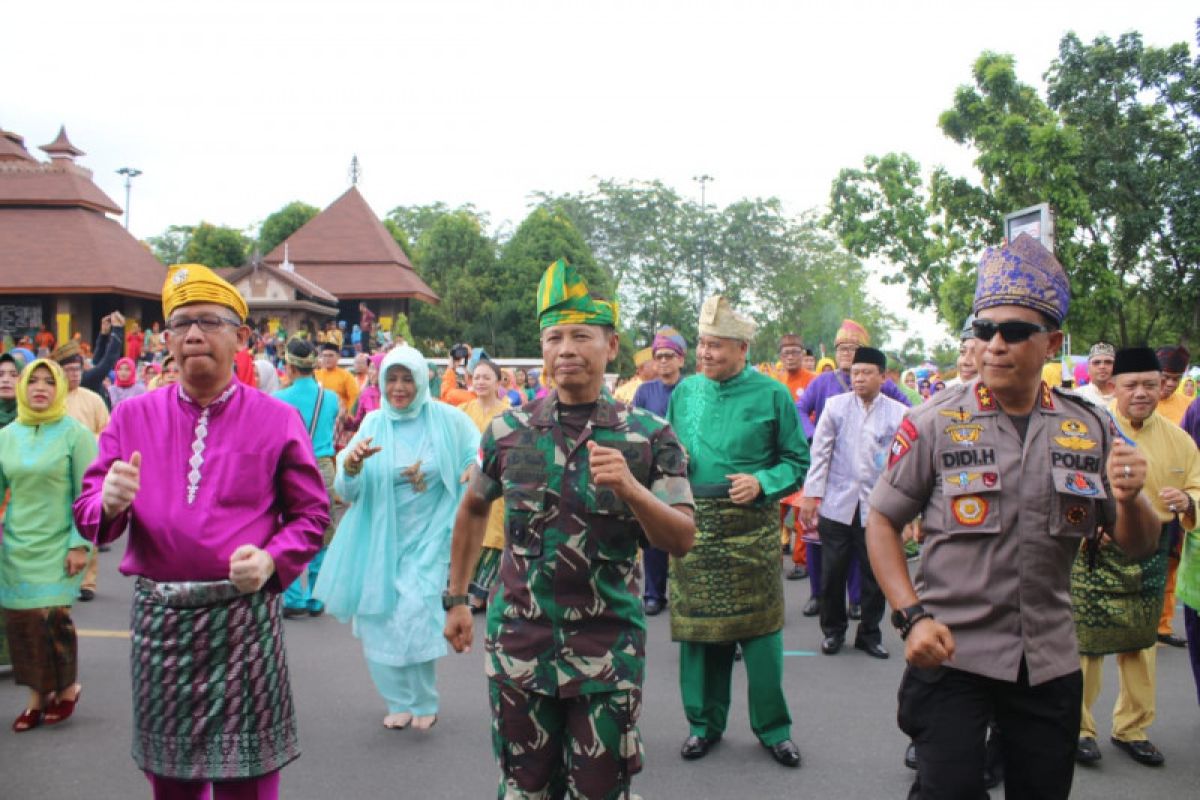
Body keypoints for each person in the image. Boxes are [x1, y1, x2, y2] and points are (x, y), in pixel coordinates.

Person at [865, 234, 1160, 799]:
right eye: (984, 330)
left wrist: (1130, 499)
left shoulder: (1088, 427)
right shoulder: (935, 423)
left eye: (1015, 332)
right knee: (947, 791)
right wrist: (910, 617)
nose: (994, 345)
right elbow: (881, 520)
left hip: (1047, 658)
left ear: (1050, 343)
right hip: (952, 652)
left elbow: (1137, 543)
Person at [73, 263, 329, 800]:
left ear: (241, 336)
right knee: (171, 780)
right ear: (166, 340)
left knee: (250, 776)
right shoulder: (132, 417)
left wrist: (270, 560)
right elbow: (90, 514)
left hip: (242, 617)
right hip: (161, 622)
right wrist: (109, 503)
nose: (193, 334)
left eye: (209, 322)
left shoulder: (276, 418)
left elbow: (310, 516)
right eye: (181, 323)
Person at [444, 259, 695, 799]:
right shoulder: (509, 431)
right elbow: (471, 510)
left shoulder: (650, 436)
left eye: (582, 336)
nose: (566, 349)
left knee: (600, 791)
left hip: (606, 653)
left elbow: (681, 538)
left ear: (612, 346)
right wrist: (458, 598)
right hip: (519, 649)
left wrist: (632, 490)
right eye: (554, 337)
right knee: (524, 786)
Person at [667, 294, 810, 768]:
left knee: (762, 635)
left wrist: (763, 481)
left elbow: (796, 460)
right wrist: (672, 467)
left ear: (743, 349)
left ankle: (774, 728)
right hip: (693, 525)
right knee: (700, 637)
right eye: (703, 344)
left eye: (717, 346)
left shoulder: (772, 394)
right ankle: (702, 725)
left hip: (751, 527)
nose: (705, 353)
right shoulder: (684, 391)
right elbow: (664, 452)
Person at [316, 345, 477, 730]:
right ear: (382, 382)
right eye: (392, 379)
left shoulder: (447, 419)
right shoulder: (372, 424)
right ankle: (397, 701)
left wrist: (472, 467)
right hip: (380, 539)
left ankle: (425, 702)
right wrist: (352, 466)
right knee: (381, 619)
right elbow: (346, 491)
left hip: (432, 535)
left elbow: (475, 450)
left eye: (408, 378)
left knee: (418, 616)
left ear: (422, 380)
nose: (400, 387)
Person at [1071, 346, 1200, 768]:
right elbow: (1068, 485)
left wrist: (1187, 500)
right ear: (1113, 387)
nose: (1142, 393)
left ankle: (1132, 729)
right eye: (1131, 385)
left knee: (1142, 647)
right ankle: (1079, 728)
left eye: (1150, 384)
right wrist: (1089, 524)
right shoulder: (1087, 430)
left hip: (1151, 549)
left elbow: (1198, 489)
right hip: (1096, 546)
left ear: (1163, 386)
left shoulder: (1179, 440)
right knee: (1086, 644)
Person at [1, 359, 96, 731]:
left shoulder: (76, 434)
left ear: (60, 388)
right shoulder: (8, 435)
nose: (40, 387)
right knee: (22, 623)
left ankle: (67, 688)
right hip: (17, 544)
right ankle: (37, 698)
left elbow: (87, 495)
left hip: (59, 544)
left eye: (48, 381)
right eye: (33, 381)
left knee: (52, 619)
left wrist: (79, 545)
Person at [799, 346, 906, 660]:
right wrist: (811, 495)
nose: (858, 379)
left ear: (882, 377)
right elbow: (820, 453)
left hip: (878, 507)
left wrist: (906, 510)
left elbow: (902, 462)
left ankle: (869, 635)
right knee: (833, 573)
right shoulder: (835, 407)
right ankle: (833, 632)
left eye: (866, 373)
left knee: (875, 576)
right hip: (837, 502)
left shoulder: (897, 413)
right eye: (855, 373)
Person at [274, 338, 342, 619]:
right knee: (321, 532)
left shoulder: (278, 399)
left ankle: (293, 597)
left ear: (289, 366)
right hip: (323, 468)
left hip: (291, 467)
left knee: (287, 528)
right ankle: (317, 596)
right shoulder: (331, 398)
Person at [633, 327, 689, 616]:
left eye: (670, 356)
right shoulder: (645, 391)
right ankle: (654, 593)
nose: (664, 362)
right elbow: (635, 428)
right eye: (659, 357)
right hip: (654, 471)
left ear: (682, 359)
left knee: (686, 532)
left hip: (688, 472)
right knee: (653, 533)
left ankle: (687, 593)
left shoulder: (693, 388)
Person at [456, 359, 510, 612]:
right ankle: (463, 587)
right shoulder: (462, 410)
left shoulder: (509, 412)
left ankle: (481, 592)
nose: (480, 382)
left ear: (498, 382)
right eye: (476, 377)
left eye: (486, 377)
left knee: (494, 535)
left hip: (498, 483)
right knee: (468, 529)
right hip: (469, 481)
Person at [83, 312, 125, 409]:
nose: (86, 361)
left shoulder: (88, 376)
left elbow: (97, 361)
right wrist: (117, 330)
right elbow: (107, 361)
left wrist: (104, 334)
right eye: (83, 360)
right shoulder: (85, 379)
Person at [314, 341, 359, 415]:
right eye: (324, 356)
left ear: (338, 357)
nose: (327, 359)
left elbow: (354, 398)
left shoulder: (346, 376)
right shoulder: (315, 375)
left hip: (338, 416)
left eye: (330, 355)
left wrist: (347, 415)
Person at [774, 333, 816, 403]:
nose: (790, 357)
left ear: (802, 355)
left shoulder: (814, 380)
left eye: (794, 352)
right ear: (780, 357)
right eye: (786, 353)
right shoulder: (777, 382)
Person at [1153, 346, 1190, 425]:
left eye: (1176, 379)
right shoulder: (1137, 404)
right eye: (1165, 377)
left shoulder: (1190, 405)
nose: (1171, 384)